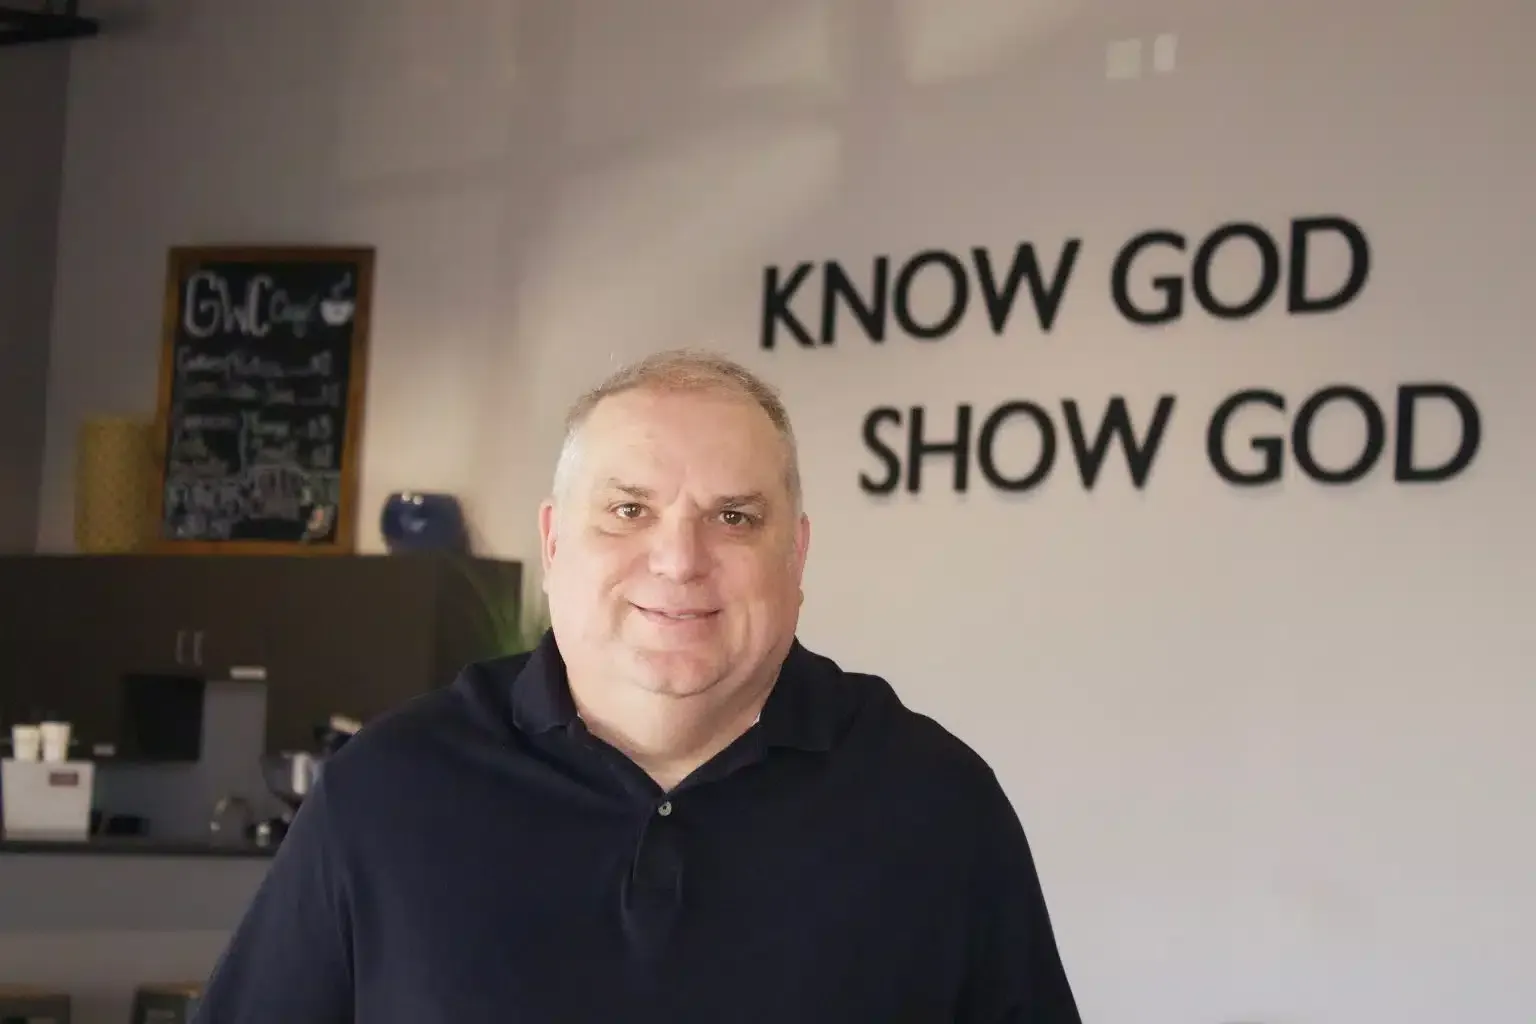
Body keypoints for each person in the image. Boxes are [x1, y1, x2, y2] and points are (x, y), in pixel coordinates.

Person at [192, 349, 1082, 1023]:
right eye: (629, 510)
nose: (678, 560)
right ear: (553, 542)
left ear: (796, 555)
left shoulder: (935, 805)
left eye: (734, 517)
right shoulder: (386, 792)